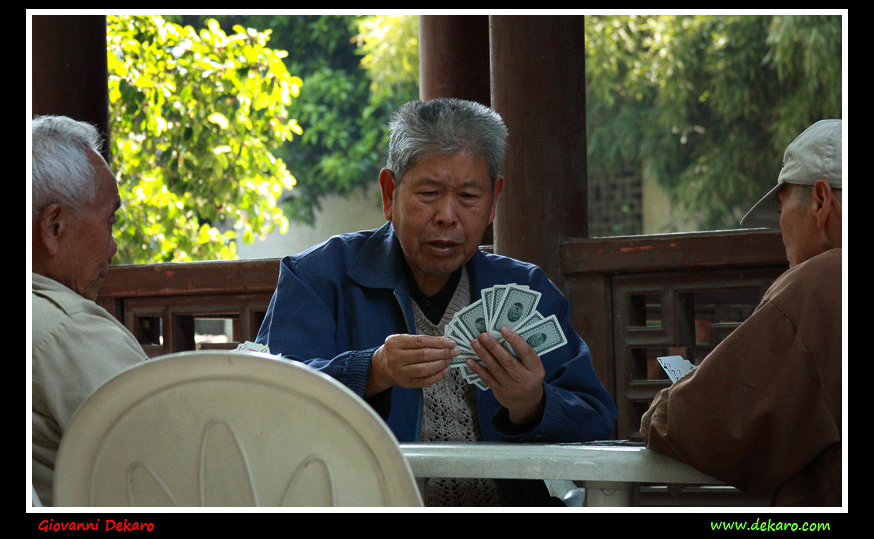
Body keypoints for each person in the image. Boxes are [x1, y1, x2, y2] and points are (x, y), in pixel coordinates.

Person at [257, 98, 617, 506]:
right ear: (390, 192)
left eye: (468, 196)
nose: (447, 215)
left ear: (494, 201)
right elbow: (267, 400)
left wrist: (531, 404)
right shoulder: (320, 278)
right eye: (429, 193)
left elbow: (597, 417)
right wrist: (372, 370)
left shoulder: (525, 289)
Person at [639, 119, 843, 506]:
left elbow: (688, 424)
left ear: (820, 201)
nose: (780, 233)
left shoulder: (824, 283)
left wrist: (665, 404)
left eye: (782, 209)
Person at [30, 115, 149, 506]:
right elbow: (168, 458)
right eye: (110, 221)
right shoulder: (67, 330)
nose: (113, 248)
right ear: (55, 228)